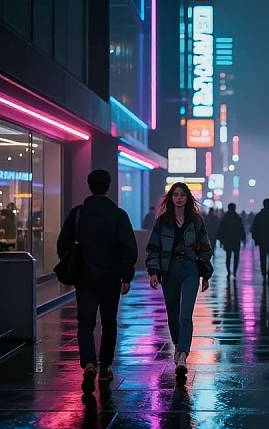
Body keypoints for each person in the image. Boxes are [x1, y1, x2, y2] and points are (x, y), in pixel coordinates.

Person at [57, 169, 137, 394]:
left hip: (85, 278)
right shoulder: (118, 215)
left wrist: (74, 264)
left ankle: (89, 363)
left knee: (85, 322)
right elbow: (128, 248)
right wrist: (126, 276)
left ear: (89, 186)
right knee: (109, 323)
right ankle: (104, 369)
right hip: (110, 279)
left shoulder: (78, 214)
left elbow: (62, 244)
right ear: (108, 186)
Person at [146, 182, 213, 377]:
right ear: (171, 198)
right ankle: (177, 345)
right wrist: (153, 272)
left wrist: (205, 274)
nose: (179, 198)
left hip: (190, 270)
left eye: (182, 195)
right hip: (169, 271)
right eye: (175, 195)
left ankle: (183, 354)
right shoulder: (162, 222)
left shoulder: (196, 221)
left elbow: (205, 248)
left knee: (185, 315)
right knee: (173, 314)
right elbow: (153, 247)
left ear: (187, 197)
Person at [217, 203, 246, 279]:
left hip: (228, 241)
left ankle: (228, 272)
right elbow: (241, 229)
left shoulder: (225, 218)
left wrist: (220, 240)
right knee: (236, 257)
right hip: (236, 241)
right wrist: (243, 239)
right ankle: (235, 272)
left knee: (228, 257)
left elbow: (221, 230)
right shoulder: (237, 217)